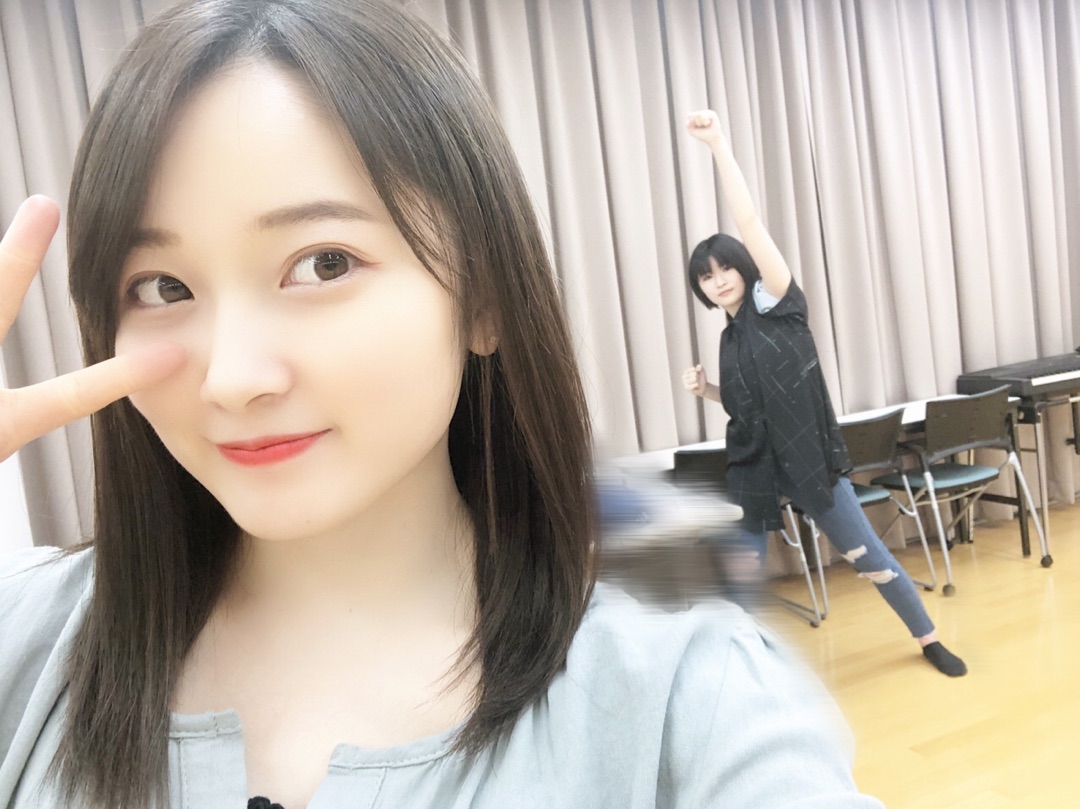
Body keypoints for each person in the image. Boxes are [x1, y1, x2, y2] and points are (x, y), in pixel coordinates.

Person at [0, 3, 887, 806]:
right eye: (163, 286)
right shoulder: (30, 644)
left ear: (484, 297)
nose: (231, 377)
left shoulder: (683, 693)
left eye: (324, 264)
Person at [680, 109, 967, 679]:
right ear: (703, 290)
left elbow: (750, 221)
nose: (719, 280)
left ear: (742, 267)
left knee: (868, 556)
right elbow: (745, 405)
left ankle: (929, 637)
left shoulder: (777, 302)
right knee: (739, 577)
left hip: (808, 457)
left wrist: (718, 146)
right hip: (753, 463)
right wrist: (706, 388)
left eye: (724, 268)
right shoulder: (730, 339)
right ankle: (736, 675)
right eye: (706, 277)